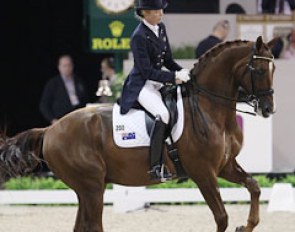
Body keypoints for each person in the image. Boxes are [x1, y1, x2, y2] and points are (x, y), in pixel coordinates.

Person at [120, 0, 190, 181]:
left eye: (161, 10)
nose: (161, 13)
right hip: (143, 84)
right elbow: (146, 71)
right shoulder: (138, 36)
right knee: (163, 114)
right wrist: (173, 77)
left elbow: (167, 60)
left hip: (158, 82)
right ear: (145, 12)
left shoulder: (161, 28)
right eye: (157, 10)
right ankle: (155, 166)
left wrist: (183, 72)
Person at [40, 54, 88, 124]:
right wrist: (53, 120)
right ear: (59, 67)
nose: (67, 68)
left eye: (69, 65)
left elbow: (85, 99)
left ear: (72, 66)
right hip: (61, 120)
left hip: (78, 118)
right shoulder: (53, 83)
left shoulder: (79, 81)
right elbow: (44, 104)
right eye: (64, 66)